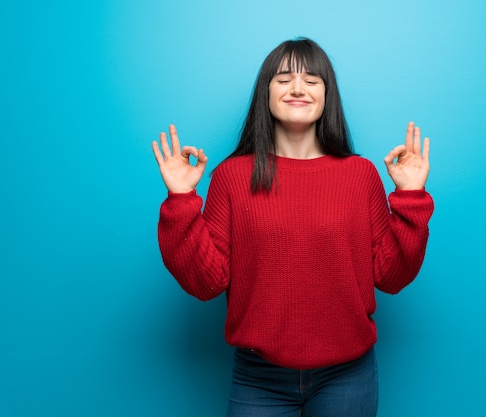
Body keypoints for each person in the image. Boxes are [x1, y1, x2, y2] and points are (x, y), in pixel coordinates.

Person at [151, 37, 433, 417]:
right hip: (258, 378)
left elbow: (392, 276)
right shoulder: (232, 177)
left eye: (311, 80)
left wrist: (411, 197)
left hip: (348, 375)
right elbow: (206, 283)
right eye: (283, 79)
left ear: (326, 95)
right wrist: (182, 200)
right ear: (265, 93)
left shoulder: (360, 175)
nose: (297, 88)